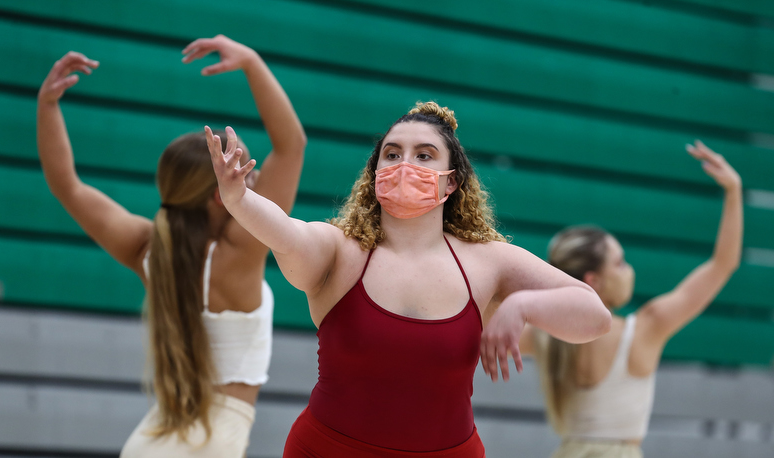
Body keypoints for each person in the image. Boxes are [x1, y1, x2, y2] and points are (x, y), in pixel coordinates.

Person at [205, 101, 612, 457]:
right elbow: (286, 231)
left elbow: (595, 316)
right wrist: (239, 198)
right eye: (393, 153)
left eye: (424, 156)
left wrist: (524, 304)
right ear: (375, 170)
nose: (404, 165)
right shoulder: (339, 251)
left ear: (451, 181)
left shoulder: (489, 262)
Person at [36, 35, 306, 457]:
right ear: (222, 195)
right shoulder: (242, 252)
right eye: (245, 176)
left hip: (151, 439)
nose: (253, 183)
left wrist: (47, 107)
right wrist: (252, 61)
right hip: (213, 443)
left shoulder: (148, 249)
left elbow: (67, 186)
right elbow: (291, 146)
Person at [524, 141, 743, 458]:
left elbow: (474, 332)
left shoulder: (543, 333)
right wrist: (734, 191)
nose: (629, 270)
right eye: (620, 262)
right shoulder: (645, 328)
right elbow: (723, 264)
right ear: (593, 281)